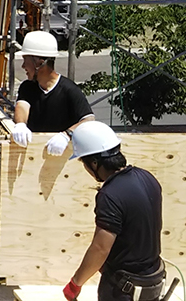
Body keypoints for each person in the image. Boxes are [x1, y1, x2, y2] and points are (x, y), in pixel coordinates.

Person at [63, 121, 165, 301]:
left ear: (94, 163)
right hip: (154, 280)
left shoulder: (110, 194)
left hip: (124, 289)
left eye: (85, 164)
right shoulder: (147, 177)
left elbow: (100, 248)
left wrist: (75, 283)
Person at [11, 31, 95, 156]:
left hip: (61, 159)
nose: (23, 66)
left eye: (25, 60)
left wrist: (67, 135)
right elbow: (22, 106)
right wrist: (21, 125)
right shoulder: (28, 87)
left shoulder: (69, 90)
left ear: (39, 63)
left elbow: (88, 120)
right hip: (33, 155)